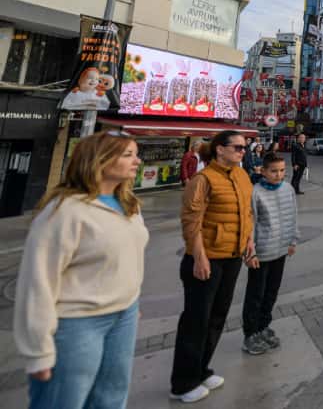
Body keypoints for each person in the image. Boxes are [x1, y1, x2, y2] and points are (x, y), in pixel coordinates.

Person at [15, 131, 148, 409]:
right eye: (128, 155)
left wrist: (131, 299)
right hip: (77, 322)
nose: (137, 161)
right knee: (63, 400)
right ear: (99, 160)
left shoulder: (130, 206)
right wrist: (38, 350)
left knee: (111, 398)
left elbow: (130, 258)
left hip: (123, 316)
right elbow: (37, 282)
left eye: (135, 154)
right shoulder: (64, 211)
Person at [170, 130, 255, 403]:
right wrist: (198, 256)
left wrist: (249, 241)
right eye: (238, 147)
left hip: (232, 256)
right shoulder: (203, 179)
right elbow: (191, 221)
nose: (243, 151)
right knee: (196, 319)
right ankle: (183, 382)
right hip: (207, 258)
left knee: (217, 316)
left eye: (245, 147)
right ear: (220, 149)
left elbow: (247, 212)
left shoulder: (241, 176)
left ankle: (202, 369)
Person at [241, 153, 299, 356]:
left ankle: (263, 326)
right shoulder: (255, 192)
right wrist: (250, 252)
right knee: (256, 294)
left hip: (281, 249)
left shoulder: (288, 189)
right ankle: (250, 334)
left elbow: (293, 215)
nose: (278, 175)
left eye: (282, 170)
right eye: (274, 171)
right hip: (262, 252)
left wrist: (293, 240)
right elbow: (251, 224)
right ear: (263, 171)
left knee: (271, 292)